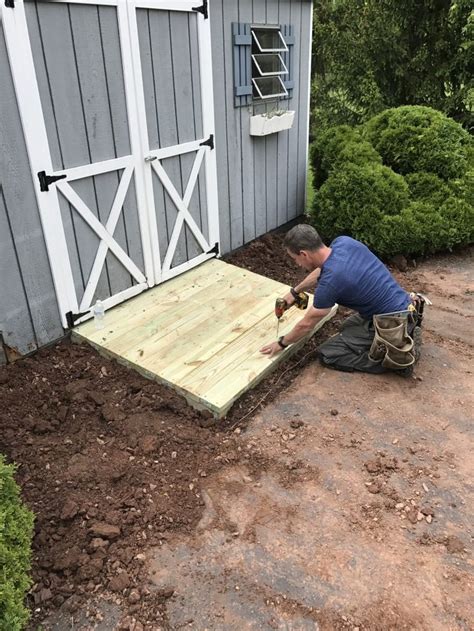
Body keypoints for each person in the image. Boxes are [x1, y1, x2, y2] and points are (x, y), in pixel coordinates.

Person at [260, 224, 425, 375]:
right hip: (405, 306)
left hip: (391, 323)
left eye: (295, 259)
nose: (297, 264)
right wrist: (295, 292)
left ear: (304, 254)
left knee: (328, 354)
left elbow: (306, 324)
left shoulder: (330, 283)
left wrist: (281, 343)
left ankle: (398, 361)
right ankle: (402, 336)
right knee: (346, 327)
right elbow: (323, 269)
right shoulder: (343, 243)